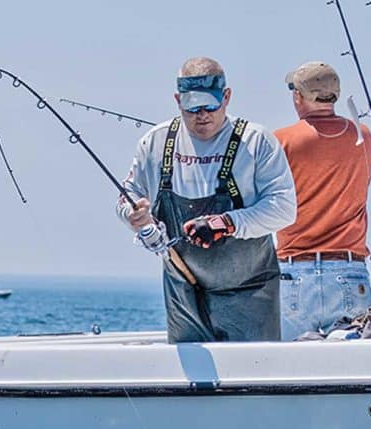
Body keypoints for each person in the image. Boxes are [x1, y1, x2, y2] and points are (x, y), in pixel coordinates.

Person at [117, 57, 297, 343]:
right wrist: (132, 214)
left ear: (226, 97)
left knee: (251, 379)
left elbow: (284, 209)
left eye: (210, 106)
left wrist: (227, 222)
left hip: (249, 293)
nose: (202, 115)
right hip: (183, 294)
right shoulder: (155, 142)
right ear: (178, 101)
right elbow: (128, 197)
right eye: (192, 108)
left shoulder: (256, 141)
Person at [273, 62, 371, 342]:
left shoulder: (281, 141)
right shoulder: (362, 136)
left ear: (298, 96)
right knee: (354, 372)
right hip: (349, 270)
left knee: (291, 371)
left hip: (294, 272)